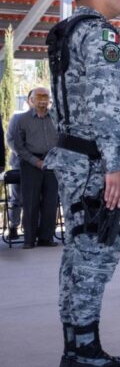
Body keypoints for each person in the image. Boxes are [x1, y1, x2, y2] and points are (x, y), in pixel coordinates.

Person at [43, 0, 120, 367]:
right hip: (94, 162)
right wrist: (115, 166)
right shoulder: (100, 33)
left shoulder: (66, 31)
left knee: (78, 255)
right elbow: (105, 105)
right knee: (95, 256)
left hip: (73, 155)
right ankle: (85, 355)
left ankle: (78, 348)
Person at [9, 88, 59, 248]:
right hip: (30, 163)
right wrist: (35, 161)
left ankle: (46, 238)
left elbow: (62, 140)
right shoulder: (21, 119)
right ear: (31, 100)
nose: (43, 100)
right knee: (30, 202)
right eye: (39, 96)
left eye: (46, 96)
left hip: (52, 163)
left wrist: (55, 160)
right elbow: (18, 145)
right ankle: (29, 239)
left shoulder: (56, 118)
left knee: (51, 202)